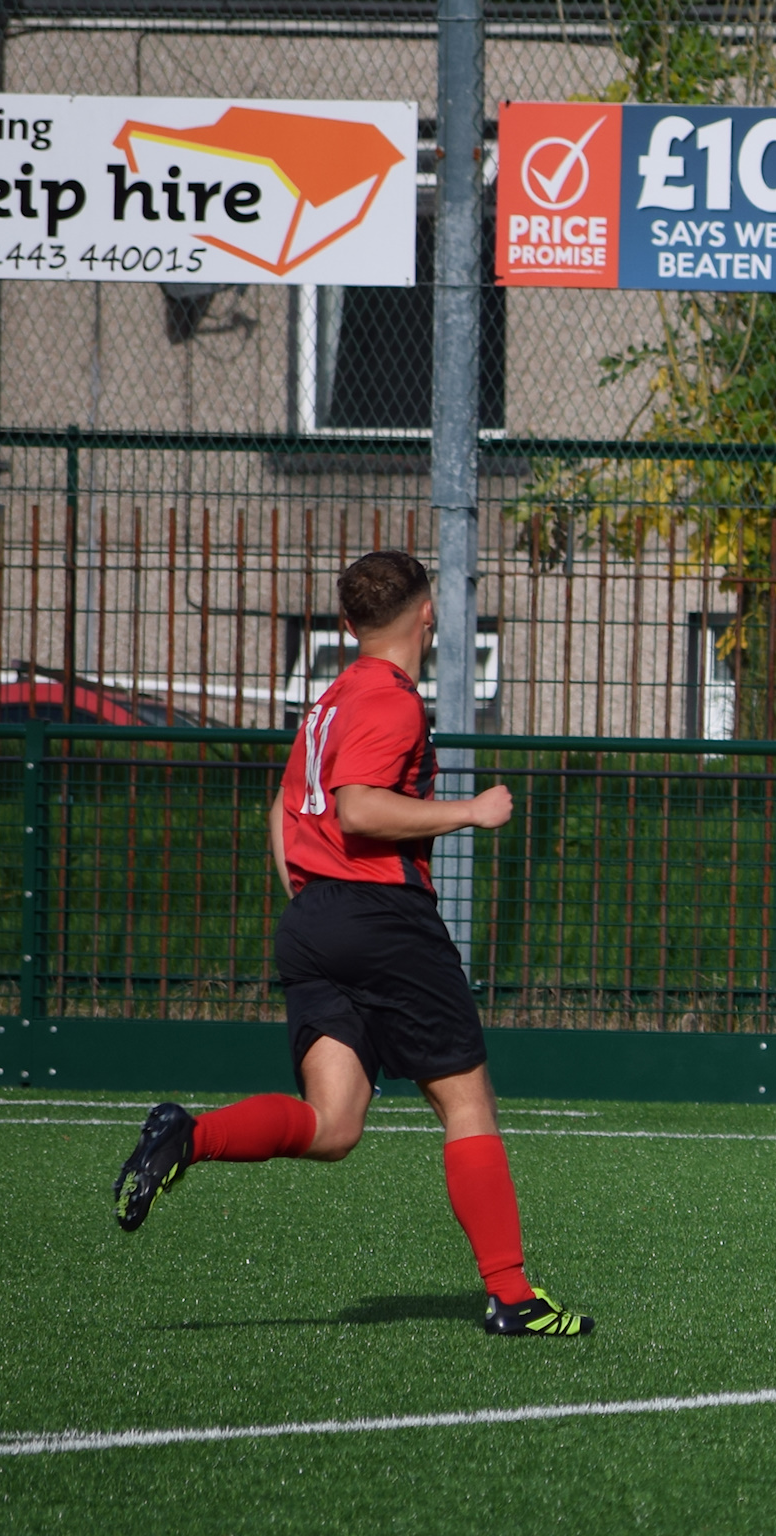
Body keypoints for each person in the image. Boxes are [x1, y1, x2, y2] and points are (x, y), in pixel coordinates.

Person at [113, 550, 591, 1338]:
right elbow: (361, 809)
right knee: (467, 1103)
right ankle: (512, 1294)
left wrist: (312, 897)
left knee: (333, 1124)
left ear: (347, 623)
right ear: (428, 615)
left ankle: (189, 1135)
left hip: (313, 921)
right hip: (382, 918)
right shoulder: (390, 700)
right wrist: (470, 812)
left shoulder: (327, 701)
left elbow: (282, 810)